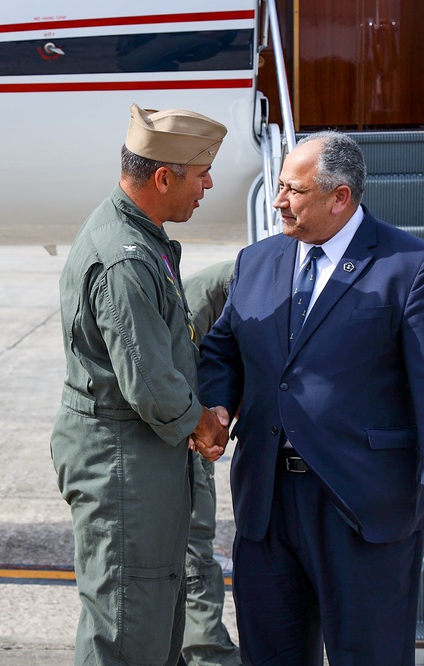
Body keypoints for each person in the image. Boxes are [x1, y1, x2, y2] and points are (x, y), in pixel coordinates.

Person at [197, 131, 424, 665]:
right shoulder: (257, 261)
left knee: (368, 654)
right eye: (279, 187)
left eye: (292, 190)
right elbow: (224, 347)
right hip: (267, 502)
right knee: (271, 652)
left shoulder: (411, 266)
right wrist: (217, 406)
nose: (278, 201)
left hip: (359, 502)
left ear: (340, 197)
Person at [50, 103, 230, 665]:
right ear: (162, 177)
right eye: (200, 175)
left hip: (139, 456)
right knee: (128, 629)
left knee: (155, 622)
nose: (207, 185)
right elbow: (150, 383)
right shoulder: (124, 259)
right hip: (123, 463)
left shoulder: (138, 236)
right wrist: (203, 424)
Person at [180, 261, 242, 666]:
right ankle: (208, 653)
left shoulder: (229, 289)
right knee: (193, 550)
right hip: (185, 436)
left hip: (194, 428)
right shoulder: (201, 304)